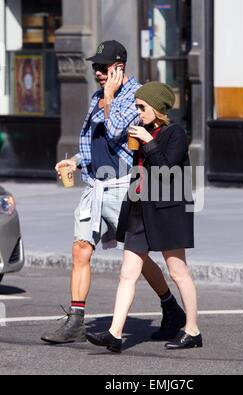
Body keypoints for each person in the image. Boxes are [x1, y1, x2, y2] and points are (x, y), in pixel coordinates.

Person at [41, 42, 185, 345]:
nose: (98, 72)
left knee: (138, 256)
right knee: (81, 248)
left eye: (103, 67)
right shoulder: (97, 96)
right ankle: (76, 320)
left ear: (119, 67)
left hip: (123, 186)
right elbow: (95, 141)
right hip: (96, 185)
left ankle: (171, 308)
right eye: (96, 67)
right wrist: (76, 161)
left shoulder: (139, 96)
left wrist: (108, 99)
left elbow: (118, 129)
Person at [86, 82, 203, 353]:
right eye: (137, 107)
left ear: (158, 108)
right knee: (127, 273)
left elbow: (166, 169)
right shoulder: (142, 131)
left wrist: (148, 142)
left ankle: (192, 330)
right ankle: (115, 333)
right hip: (141, 207)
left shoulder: (175, 133)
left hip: (169, 210)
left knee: (178, 272)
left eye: (142, 107)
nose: (138, 113)